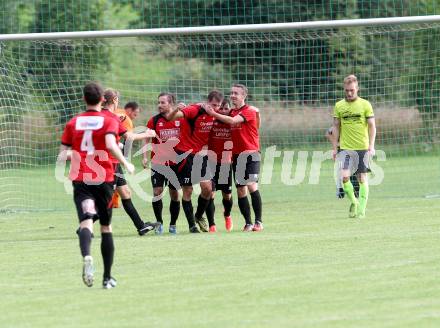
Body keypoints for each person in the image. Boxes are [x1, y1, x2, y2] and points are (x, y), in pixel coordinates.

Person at [57, 82, 135, 288]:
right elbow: (110, 145)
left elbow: (62, 155)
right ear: (102, 100)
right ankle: (107, 277)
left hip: (81, 179)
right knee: (106, 227)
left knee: (86, 222)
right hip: (104, 179)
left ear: (84, 99)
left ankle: (87, 256)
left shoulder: (74, 122)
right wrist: (126, 162)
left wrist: (80, 154)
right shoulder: (107, 120)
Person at [204, 84, 263, 232]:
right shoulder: (231, 113)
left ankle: (259, 222)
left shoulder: (248, 111)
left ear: (244, 96)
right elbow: (224, 117)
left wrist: (213, 113)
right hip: (236, 156)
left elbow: (231, 121)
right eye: (231, 93)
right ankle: (248, 223)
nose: (233, 95)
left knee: (251, 185)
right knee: (241, 190)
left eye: (236, 93)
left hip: (251, 153)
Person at [102, 89, 159, 235]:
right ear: (114, 99)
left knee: (126, 192)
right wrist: (148, 133)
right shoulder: (112, 117)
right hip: (109, 162)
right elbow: (129, 137)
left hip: (110, 160)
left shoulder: (100, 115)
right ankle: (85, 224)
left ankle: (141, 226)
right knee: (106, 201)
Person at [165, 90, 224, 233]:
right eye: (213, 105)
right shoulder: (194, 110)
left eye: (218, 106)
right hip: (184, 154)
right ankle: (192, 226)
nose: (215, 108)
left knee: (208, 188)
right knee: (188, 190)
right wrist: (176, 110)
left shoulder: (215, 115)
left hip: (200, 155)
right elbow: (170, 118)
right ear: (207, 102)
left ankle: (198, 215)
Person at [332, 75, 376, 218]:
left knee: (362, 178)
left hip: (362, 147)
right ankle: (355, 203)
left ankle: (362, 210)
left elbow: (372, 126)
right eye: (347, 91)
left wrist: (371, 145)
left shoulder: (365, 105)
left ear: (357, 89)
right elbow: (336, 127)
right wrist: (335, 148)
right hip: (345, 148)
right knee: (344, 177)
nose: (349, 93)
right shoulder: (339, 106)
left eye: (352, 90)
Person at [143, 93, 183, 234]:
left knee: (174, 194)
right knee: (157, 192)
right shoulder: (153, 121)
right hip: (158, 163)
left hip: (175, 163)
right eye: (158, 102)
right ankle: (159, 222)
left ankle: (173, 225)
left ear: (171, 103)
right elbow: (146, 138)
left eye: (163, 102)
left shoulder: (180, 118)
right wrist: (145, 157)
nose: (159, 105)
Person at [206, 98, 234, 232]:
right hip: (211, 163)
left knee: (226, 195)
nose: (223, 110)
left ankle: (227, 214)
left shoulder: (233, 122)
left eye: (226, 108)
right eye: (220, 108)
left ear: (230, 109)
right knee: (210, 193)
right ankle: (212, 225)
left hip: (225, 164)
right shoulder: (211, 121)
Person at [111, 102, 141, 208]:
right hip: (111, 156)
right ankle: (111, 202)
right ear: (129, 110)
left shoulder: (115, 111)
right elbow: (129, 138)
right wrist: (127, 160)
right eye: (135, 114)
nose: (135, 117)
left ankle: (113, 202)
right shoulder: (126, 118)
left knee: (123, 188)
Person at [325, 126, 360, 199]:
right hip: (342, 151)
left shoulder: (351, 126)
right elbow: (328, 134)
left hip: (353, 150)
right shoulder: (337, 127)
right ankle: (341, 191)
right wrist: (337, 144)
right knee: (341, 171)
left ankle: (356, 190)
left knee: (354, 171)